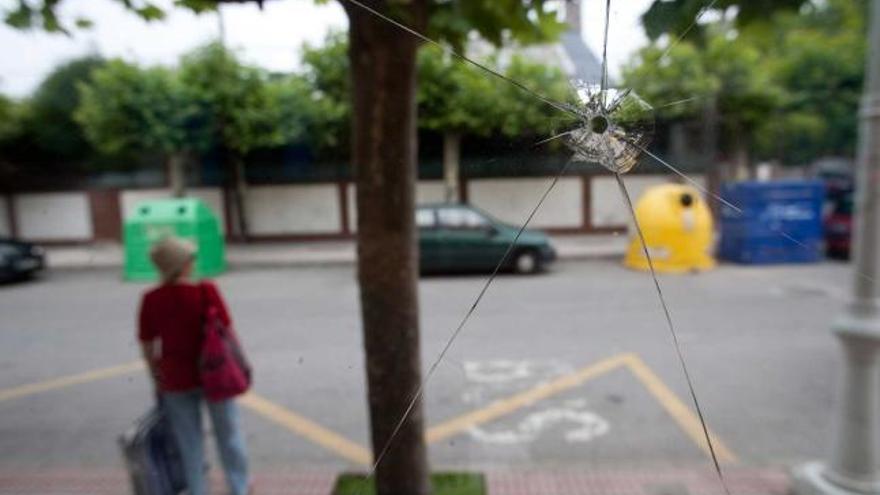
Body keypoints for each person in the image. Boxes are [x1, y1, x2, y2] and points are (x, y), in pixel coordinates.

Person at [138, 236, 251, 495]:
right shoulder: (206, 290)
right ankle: (239, 488)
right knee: (230, 437)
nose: (194, 262)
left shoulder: (151, 299)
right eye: (191, 258)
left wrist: (156, 378)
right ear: (182, 264)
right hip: (216, 375)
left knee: (189, 443)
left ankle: (198, 490)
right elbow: (227, 330)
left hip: (175, 381)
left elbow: (147, 344)